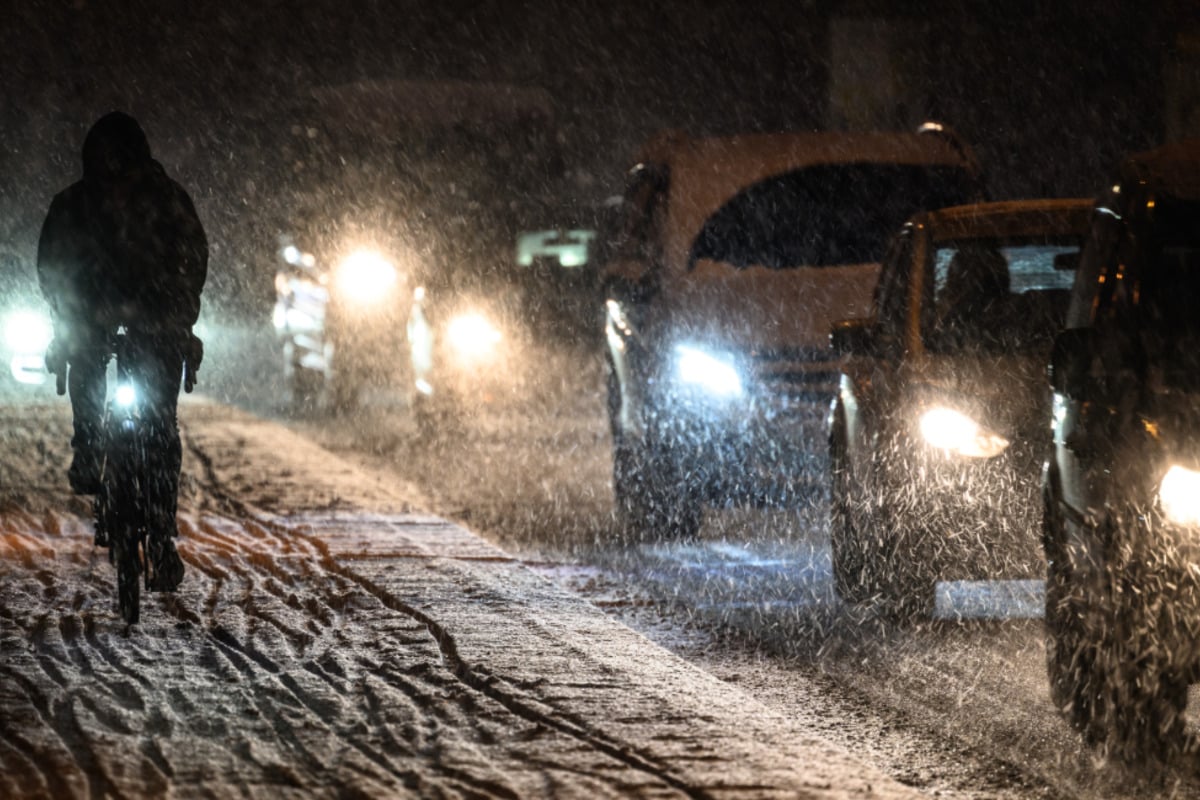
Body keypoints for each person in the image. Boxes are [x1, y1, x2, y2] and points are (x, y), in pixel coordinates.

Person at [37, 111, 208, 592]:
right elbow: (53, 268)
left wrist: (174, 318)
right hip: (92, 316)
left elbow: (191, 262)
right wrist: (71, 317)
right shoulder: (72, 208)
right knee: (85, 363)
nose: (114, 185)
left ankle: (160, 534)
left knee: (160, 429)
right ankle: (88, 445)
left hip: (155, 320)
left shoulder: (167, 204)